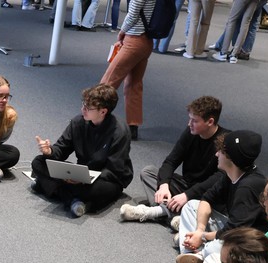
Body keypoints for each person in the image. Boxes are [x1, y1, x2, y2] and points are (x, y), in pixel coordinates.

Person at [120, 96, 228, 224]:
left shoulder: (225, 141)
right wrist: (164, 185)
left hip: (206, 193)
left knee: (209, 202)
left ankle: (156, 212)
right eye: (190, 119)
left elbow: (219, 178)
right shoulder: (191, 132)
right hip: (186, 186)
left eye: (194, 121)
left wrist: (187, 195)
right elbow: (171, 161)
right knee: (148, 172)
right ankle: (177, 217)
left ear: (210, 122)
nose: (189, 124)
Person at [175, 130, 267, 263]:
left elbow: (234, 231)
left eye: (221, 152)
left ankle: (200, 252)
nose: (217, 154)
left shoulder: (248, 187)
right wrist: (199, 230)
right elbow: (206, 199)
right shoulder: (231, 175)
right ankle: (193, 252)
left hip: (248, 242)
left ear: (231, 159)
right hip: (231, 230)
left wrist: (203, 236)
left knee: (220, 247)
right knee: (192, 205)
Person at [31, 84, 132, 218]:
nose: (82, 109)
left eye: (88, 108)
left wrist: (85, 178)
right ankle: (74, 200)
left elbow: (114, 170)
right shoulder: (78, 122)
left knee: (97, 190)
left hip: (106, 178)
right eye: (83, 104)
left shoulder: (120, 132)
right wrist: (49, 151)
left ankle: (51, 188)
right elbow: (61, 149)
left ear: (103, 111)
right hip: (81, 172)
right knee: (38, 162)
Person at [99, 0, 156, 140]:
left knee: (108, 82)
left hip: (134, 40)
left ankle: (90, 120)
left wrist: (121, 32)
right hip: (147, 41)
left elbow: (133, 14)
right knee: (134, 85)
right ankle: (133, 127)